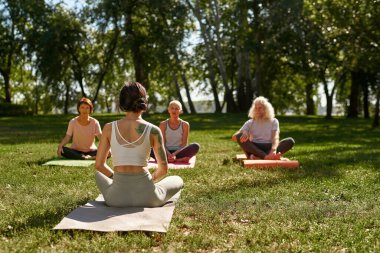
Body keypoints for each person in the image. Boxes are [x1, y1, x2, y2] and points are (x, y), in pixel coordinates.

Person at [95, 82, 184, 207]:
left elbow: (99, 165)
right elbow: (163, 169)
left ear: (122, 103)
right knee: (178, 180)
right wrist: (150, 180)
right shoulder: (153, 130)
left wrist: (116, 178)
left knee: (98, 174)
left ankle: (120, 186)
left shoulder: (108, 128)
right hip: (149, 198)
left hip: (115, 199)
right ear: (144, 102)